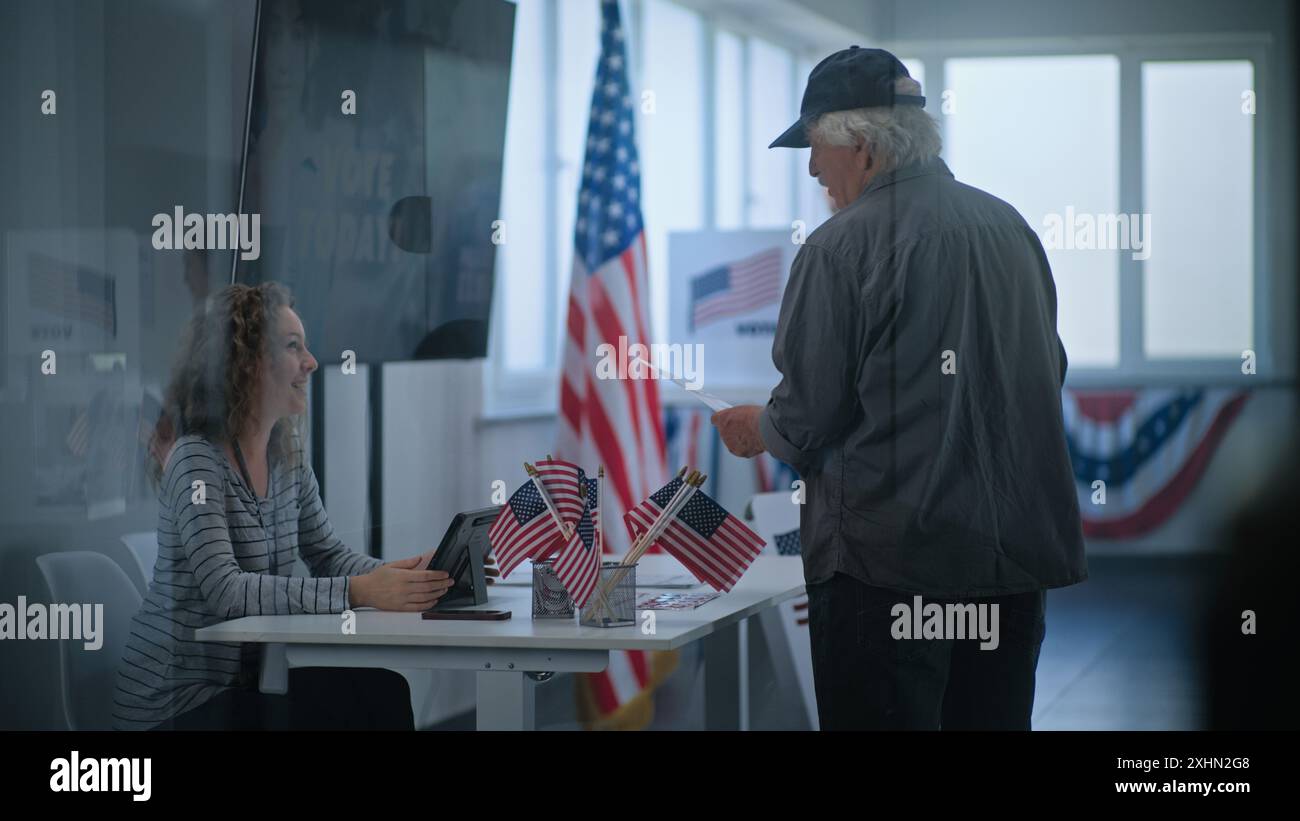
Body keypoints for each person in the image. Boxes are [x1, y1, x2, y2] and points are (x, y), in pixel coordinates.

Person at [711, 47, 1087, 730]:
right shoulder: (1011, 229)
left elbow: (806, 417)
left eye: (817, 145)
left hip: (885, 572)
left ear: (861, 144)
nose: (811, 166)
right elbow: (1047, 370)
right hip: (1008, 568)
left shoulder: (839, 248)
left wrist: (754, 429)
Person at [113, 282, 455, 730]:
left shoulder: (284, 454)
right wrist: (362, 591)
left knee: (384, 690)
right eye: (293, 347)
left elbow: (327, 555)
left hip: (243, 688)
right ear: (245, 364)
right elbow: (227, 590)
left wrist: (403, 576)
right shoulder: (196, 460)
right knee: (355, 709)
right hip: (175, 706)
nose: (311, 362)